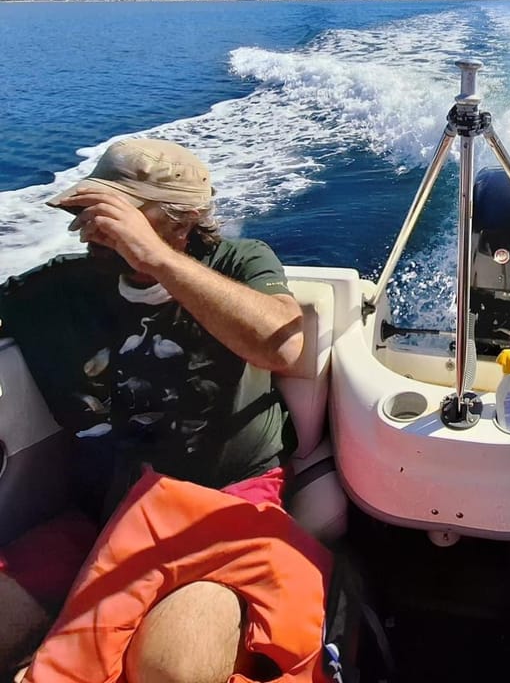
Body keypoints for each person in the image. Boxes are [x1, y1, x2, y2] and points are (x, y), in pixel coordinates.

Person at [0, 138, 308, 682]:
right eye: (86, 212)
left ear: (180, 223)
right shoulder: (59, 286)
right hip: (99, 512)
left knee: (172, 668)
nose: (90, 230)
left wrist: (155, 259)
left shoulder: (238, 262)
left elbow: (281, 345)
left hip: (222, 506)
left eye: (114, 216)